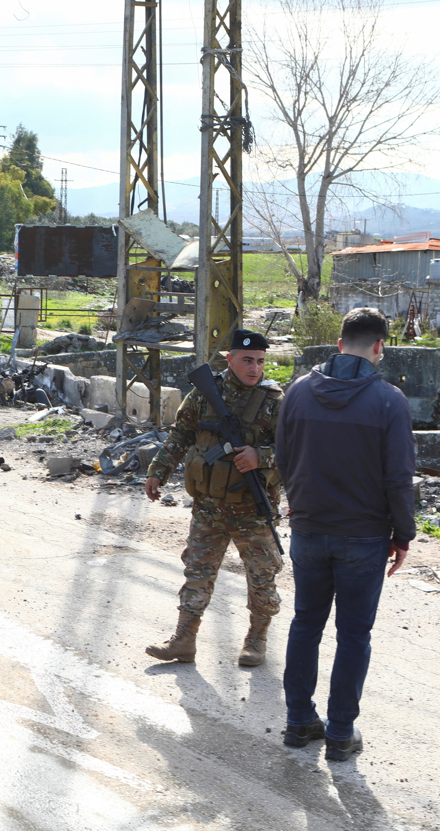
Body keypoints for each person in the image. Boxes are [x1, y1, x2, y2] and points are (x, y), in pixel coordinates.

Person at [276, 307, 415, 761]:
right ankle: (339, 733)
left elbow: (283, 457)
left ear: (339, 344)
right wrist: (403, 534)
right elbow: (397, 478)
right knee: (354, 635)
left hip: (309, 530)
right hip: (363, 537)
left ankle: (298, 722)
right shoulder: (389, 401)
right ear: (380, 347)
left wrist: (300, 505)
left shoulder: (297, 392)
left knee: (305, 623)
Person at [144, 329, 283, 667]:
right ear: (229, 359)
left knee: (262, 577)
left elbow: (297, 450)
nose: (254, 368)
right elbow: (182, 434)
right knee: (197, 572)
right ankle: (183, 640)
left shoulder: (275, 400)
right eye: (247, 360)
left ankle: (256, 640)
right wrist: (157, 471)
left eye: (260, 361)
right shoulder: (206, 393)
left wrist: (260, 456)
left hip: (253, 509)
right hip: (209, 507)